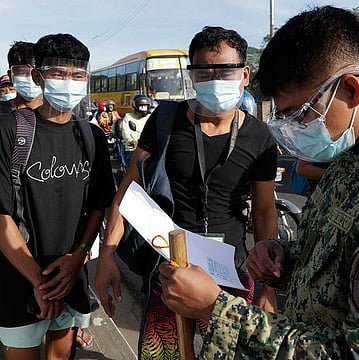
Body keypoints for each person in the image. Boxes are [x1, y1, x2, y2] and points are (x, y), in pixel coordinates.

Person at [157, 6, 359, 358]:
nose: (293, 129)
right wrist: (286, 261)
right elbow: (339, 271)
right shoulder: (350, 163)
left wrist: (215, 309)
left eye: (301, 113)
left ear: (351, 91)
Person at [95, 25, 279, 359]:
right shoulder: (166, 121)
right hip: (171, 267)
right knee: (162, 354)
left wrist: (270, 287)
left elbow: (266, 213)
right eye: (204, 72)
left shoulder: (260, 137)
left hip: (232, 271)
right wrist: (106, 257)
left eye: (225, 71)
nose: (214, 80)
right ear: (191, 75)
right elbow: (128, 194)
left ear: (245, 74)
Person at [0, 33, 116, 360]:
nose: (69, 83)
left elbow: (97, 205)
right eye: (59, 74)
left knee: (61, 354)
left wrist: (79, 256)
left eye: (78, 75)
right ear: (38, 76)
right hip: (19, 277)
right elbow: (2, 218)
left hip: (70, 276)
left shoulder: (91, 135)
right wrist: (39, 282)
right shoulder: (9, 131)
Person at [119, 94, 151, 168]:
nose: (143, 108)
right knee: (134, 168)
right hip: (132, 148)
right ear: (135, 106)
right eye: (141, 106)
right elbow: (125, 132)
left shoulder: (150, 117)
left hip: (148, 148)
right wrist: (131, 141)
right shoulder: (128, 117)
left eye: (145, 106)